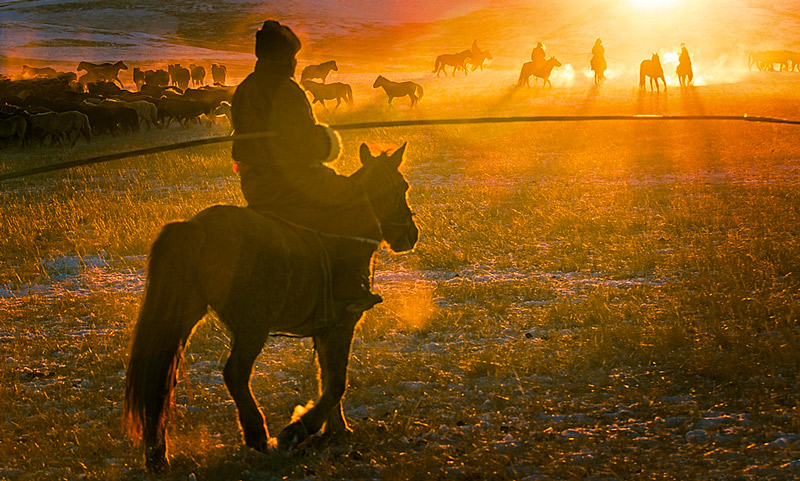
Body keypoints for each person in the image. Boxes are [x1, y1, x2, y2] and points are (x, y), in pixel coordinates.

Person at [230, 20, 383, 313]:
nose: (295, 63)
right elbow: (305, 142)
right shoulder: (286, 91)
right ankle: (352, 287)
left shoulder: (244, 89)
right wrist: (327, 142)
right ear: (284, 58)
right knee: (355, 195)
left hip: (254, 184)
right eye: (292, 57)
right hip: (292, 181)